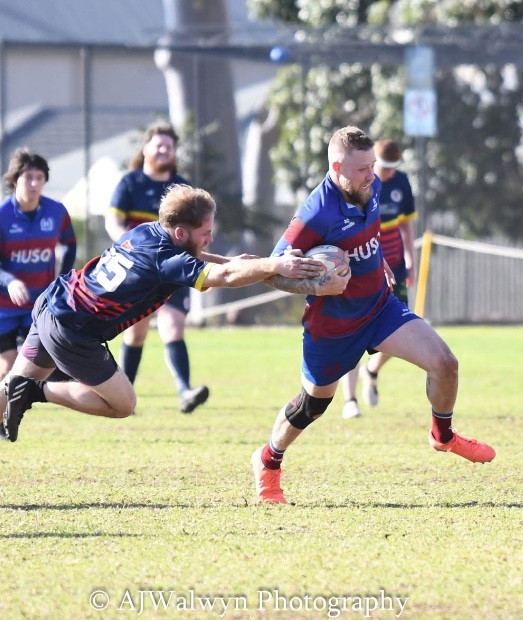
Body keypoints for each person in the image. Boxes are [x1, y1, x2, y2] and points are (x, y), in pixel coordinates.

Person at [251, 126, 495, 504]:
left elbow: (369, 233)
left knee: (445, 363)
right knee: (312, 406)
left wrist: (377, 262)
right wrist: (317, 286)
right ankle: (268, 461)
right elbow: (271, 272)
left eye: (373, 165)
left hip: (380, 308)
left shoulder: (373, 185)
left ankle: (443, 436)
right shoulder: (315, 214)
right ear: (337, 167)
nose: (372, 174)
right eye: (363, 168)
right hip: (333, 327)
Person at [1, 184, 346, 443]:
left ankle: (22, 389)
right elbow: (223, 278)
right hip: (73, 330)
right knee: (122, 404)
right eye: (205, 233)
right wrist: (277, 264)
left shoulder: (147, 231)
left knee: (7, 388)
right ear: (181, 232)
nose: (210, 239)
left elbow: (203, 260)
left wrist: (234, 261)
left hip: (54, 302)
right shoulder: (168, 260)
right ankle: (37, 392)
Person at [105, 122, 208, 413]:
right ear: (146, 148)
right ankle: (123, 396)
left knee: (173, 326)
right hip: (140, 269)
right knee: (136, 333)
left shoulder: (181, 188)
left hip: (174, 268)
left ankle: (185, 392)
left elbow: (196, 229)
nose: (164, 150)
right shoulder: (130, 183)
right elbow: (112, 222)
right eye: (159, 145)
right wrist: (130, 246)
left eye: (169, 146)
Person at [340, 139, 417, 419]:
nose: (388, 174)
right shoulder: (359, 183)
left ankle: (371, 370)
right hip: (362, 267)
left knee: (401, 328)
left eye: (393, 168)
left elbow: (406, 224)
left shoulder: (401, 182)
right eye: (384, 168)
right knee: (353, 333)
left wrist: (410, 259)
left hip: (395, 268)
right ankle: (350, 400)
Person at [0, 149, 77, 379]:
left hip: (38, 304)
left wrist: (62, 280)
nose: (34, 184)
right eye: (28, 177)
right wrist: (10, 281)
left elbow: (69, 244)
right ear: (15, 180)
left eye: (39, 178)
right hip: (4, 307)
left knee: (34, 366)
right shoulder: (2, 215)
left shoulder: (56, 212)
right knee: (8, 365)